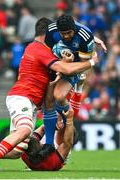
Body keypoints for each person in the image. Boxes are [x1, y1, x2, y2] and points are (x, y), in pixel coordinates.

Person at [0, 17, 99, 172]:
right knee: (24, 130)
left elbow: (69, 51)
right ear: (48, 33)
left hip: (29, 100)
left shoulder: (40, 49)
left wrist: (90, 39)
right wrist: (91, 62)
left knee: (18, 150)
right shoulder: (40, 49)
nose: (59, 38)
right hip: (23, 97)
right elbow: (67, 70)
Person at [41, 14, 107, 151]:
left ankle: (68, 120)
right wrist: (59, 66)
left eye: (69, 33)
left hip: (74, 67)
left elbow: (84, 64)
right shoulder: (51, 31)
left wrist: (67, 66)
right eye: (62, 34)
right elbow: (46, 54)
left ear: (74, 29)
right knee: (48, 101)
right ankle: (49, 143)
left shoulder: (85, 37)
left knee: (59, 96)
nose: (65, 36)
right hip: (55, 64)